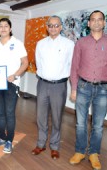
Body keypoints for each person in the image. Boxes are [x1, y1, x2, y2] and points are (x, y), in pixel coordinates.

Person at [69, 10, 107, 170]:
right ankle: (80, 152)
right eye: (93, 20)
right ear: (89, 23)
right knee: (80, 123)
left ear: (104, 23)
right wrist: (74, 88)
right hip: (83, 87)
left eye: (100, 20)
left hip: (103, 89)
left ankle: (93, 153)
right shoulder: (81, 43)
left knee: (98, 125)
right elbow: (74, 67)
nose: (97, 22)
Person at [32, 15, 74, 159]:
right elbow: (39, 63)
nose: (53, 28)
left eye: (56, 25)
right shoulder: (41, 43)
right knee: (40, 116)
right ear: (47, 27)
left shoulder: (69, 44)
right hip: (42, 84)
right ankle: (41, 144)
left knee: (57, 117)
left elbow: (72, 65)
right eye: (50, 25)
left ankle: (55, 146)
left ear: (61, 27)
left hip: (59, 86)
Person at [0, 18, 28, 154]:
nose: (3, 28)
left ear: (10, 29)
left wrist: (15, 75)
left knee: (9, 113)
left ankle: (9, 140)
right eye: (1, 26)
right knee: (0, 113)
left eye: (6, 26)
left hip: (12, 83)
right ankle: (1, 138)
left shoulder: (18, 43)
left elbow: (25, 63)